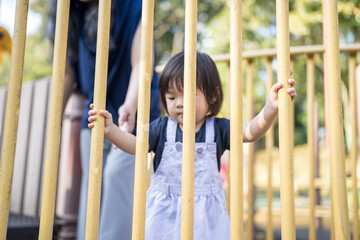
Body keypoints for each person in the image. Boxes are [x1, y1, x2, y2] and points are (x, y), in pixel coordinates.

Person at [88, 51, 296, 239]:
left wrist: (271, 108)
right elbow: (137, 146)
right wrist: (112, 131)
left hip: (205, 218)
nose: (178, 103)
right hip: (164, 214)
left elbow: (250, 132)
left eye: (187, 95)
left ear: (212, 95)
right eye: (171, 97)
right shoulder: (162, 127)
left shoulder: (218, 128)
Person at [49, 0, 161, 239]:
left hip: (131, 117)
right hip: (94, 119)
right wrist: (53, 125)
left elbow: (142, 62)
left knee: (117, 184)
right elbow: (67, 73)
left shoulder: (133, 5)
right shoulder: (72, 13)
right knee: (92, 198)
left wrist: (130, 104)